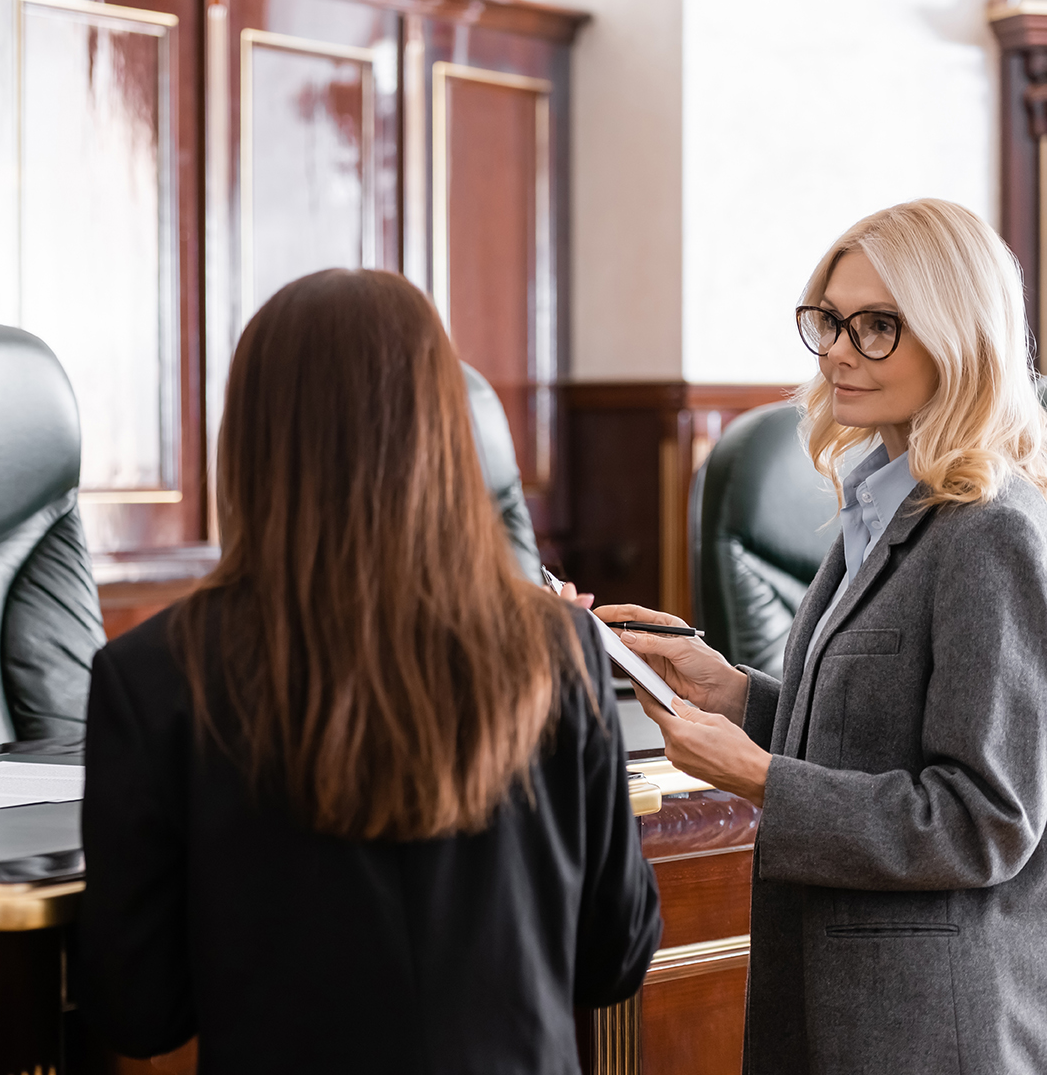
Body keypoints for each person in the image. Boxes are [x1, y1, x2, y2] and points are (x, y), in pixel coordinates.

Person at [80, 269, 661, 1074]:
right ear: (443, 432)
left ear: (246, 438)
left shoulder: (150, 676)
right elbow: (614, 958)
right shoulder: (561, 650)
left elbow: (137, 1010)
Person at [602, 199, 1047, 1074]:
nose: (840, 349)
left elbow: (982, 822)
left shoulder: (988, 532)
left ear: (960, 342)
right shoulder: (880, 499)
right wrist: (734, 694)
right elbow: (874, 735)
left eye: (878, 325)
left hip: (927, 1030)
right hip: (834, 1001)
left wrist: (754, 777)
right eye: (832, 321)